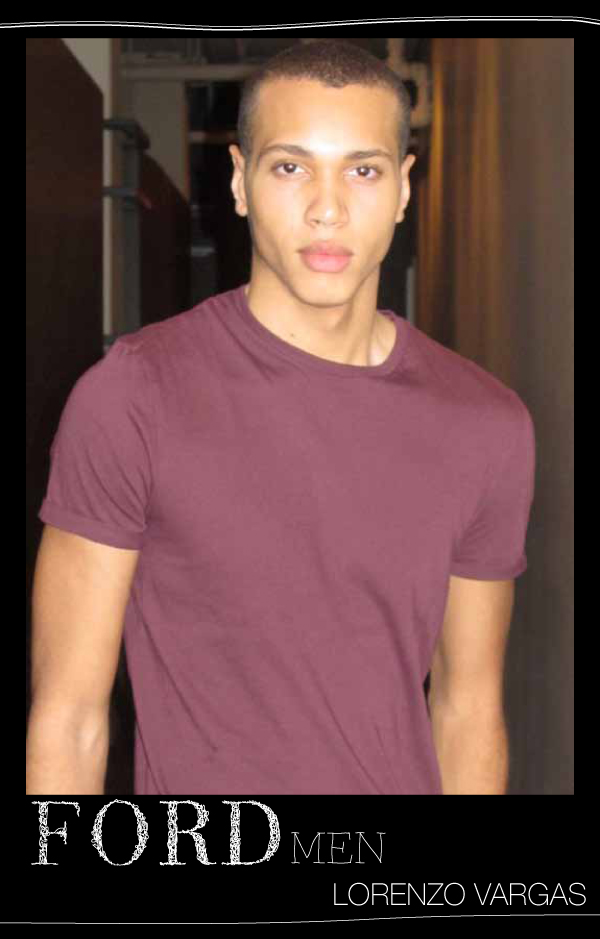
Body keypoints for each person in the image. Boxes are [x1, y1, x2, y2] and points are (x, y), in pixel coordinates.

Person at [27, 39, 536, 796]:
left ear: (403, 188)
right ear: (240, 182)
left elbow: (467, 711)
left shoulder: (486, 425)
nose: (327, 209)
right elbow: (69, 718)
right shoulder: (134, 396)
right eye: (291, 167)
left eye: (362, 170)